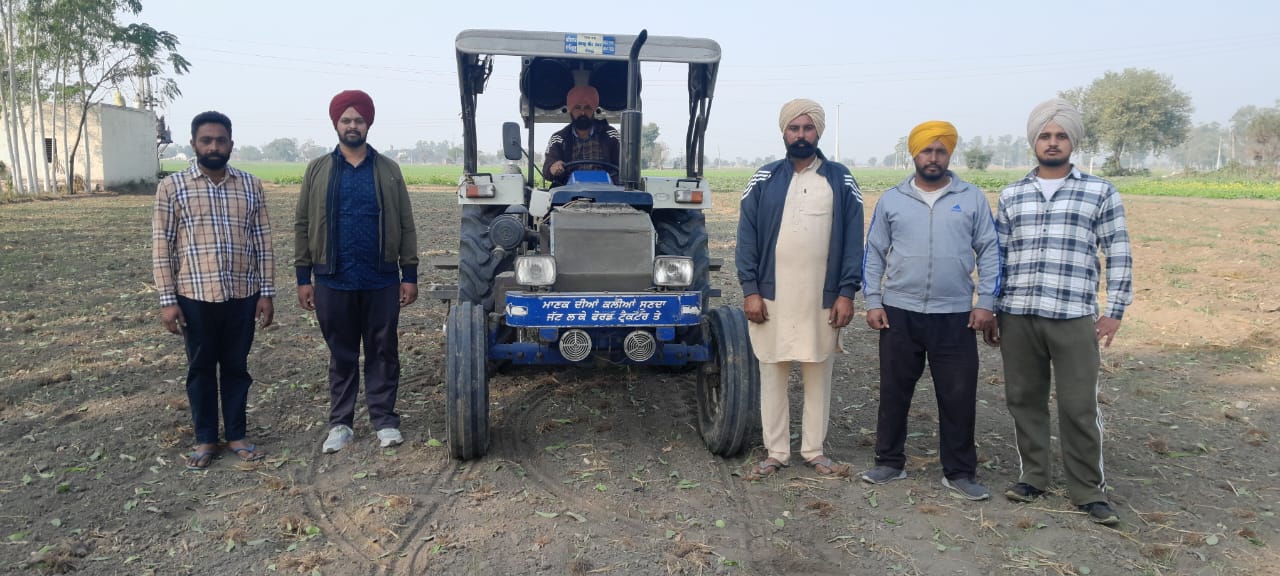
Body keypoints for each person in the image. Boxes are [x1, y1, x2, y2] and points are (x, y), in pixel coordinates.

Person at [994, 98, 1133, 526]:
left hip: (1074, 316)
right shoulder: (1013, 194)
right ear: (1033, 141)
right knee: (1023, 399)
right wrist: (991, 308)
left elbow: (1119, 251)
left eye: (1060, 136)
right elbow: (997, 256)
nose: (1052, 143)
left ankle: (1088, 490)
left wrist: (1115, 310)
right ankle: (1033, 476)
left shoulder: (1099, 191)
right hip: (1018, 314)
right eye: (1045, 135)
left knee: (1077, 405)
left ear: (1072, 141)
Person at [858, 121, 1000, 500]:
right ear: (914, 154)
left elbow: (989, 251)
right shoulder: (892, 199)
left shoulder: (970, 197)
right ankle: (889, 462)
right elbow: (873, 253)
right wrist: (873, 300)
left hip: (955, 315)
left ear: (949, 154)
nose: (933, 158)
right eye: (926, 151)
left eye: (940, 151)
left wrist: (985, 302)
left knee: (958, 395)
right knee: (893, 391)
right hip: (899, 312)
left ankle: (959, 472)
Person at [736, 99, 864, 478]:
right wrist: (750, 289)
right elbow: (747, 238)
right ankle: (776, 452)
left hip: (820, 297)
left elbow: (854, 239)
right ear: (784, 132)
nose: (801, 135)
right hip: (771, 296)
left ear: (818, 132)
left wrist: (846, 292)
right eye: (795, 128)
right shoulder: (764, 178)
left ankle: (813, 450)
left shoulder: (840, 179)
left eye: (808, 128)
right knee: (772, 370)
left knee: (817, 371)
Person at [295, 90, 419, 454]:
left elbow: (405, 223)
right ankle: (341, 423)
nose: (352, 125)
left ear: (368, 124)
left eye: (359, 120)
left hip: (380, 277)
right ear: (336, 123)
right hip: (333, 278)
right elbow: (303, 223)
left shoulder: (388, 170)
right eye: (346, 120)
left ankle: (384, 421)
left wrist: (408, 273)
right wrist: (304, 278)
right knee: (342, 353)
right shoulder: (317, 170)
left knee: (383, 350)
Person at [152, 111, 275, 470]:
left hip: (243, 294)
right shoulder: (172, 187)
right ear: (194, 144)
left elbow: (263, 243)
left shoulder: (250, 186)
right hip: (193, 295)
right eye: (206, 140)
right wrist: (167, 301)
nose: (214, 146)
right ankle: (205, 438)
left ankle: (237, 434)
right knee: (201, 369)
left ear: (231, 144)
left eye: (221, 140)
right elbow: (162, 246)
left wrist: (266, 293)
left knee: (237, 367)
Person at [542, 85, 620, 186]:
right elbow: (547, 169)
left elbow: (623, 165)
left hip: (606, 192)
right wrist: (553, 168)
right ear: (570, 110)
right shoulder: (559, 138)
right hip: (569, 194)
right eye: (577, 108)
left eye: (587, 108)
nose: (582, 112)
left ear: (593, 110)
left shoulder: (611, 135)